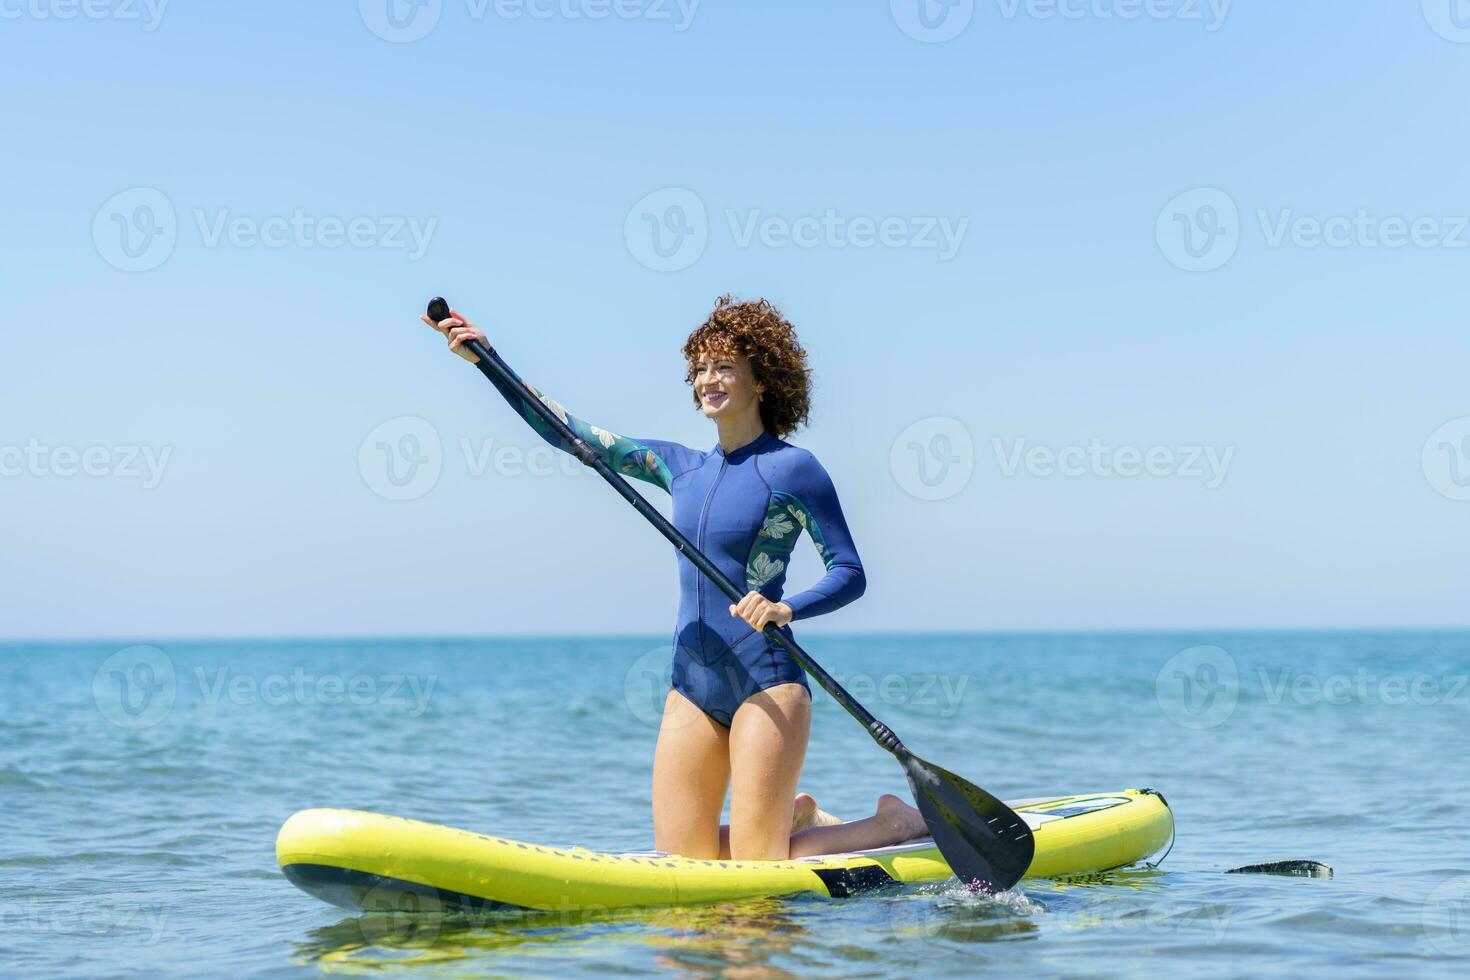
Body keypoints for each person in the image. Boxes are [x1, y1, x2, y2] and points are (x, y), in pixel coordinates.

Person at [424, 296, 929, 860]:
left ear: (761, 380)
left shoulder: (792, 470)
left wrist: (786, 608)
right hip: (691, 682)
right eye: (700, 368)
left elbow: (850, 572)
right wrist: (490, 361)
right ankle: (796, 819)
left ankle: (893, 825)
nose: (707, 380)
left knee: (755, 869)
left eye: (725, 366)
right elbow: (568, 432)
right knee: (683, 861)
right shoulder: (679, 467)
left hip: (767, 681)